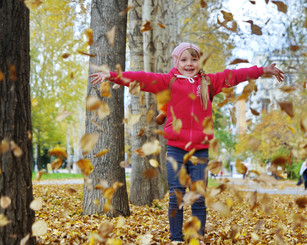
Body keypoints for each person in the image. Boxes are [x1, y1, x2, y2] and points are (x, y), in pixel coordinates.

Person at [90, 43, 284, 243]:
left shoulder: (209, 82)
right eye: (184, 60)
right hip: (176, 149)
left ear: (199, 61)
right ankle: (176, 238)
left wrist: (262, 71)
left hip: (200, 151)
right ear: (177, 62)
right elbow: (142, 78)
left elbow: (234, 76)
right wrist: (113, 75)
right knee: (177, 196)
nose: (189, 64)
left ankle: (198, 238)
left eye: (193, 59)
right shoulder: (169, 82)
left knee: (199, 197)